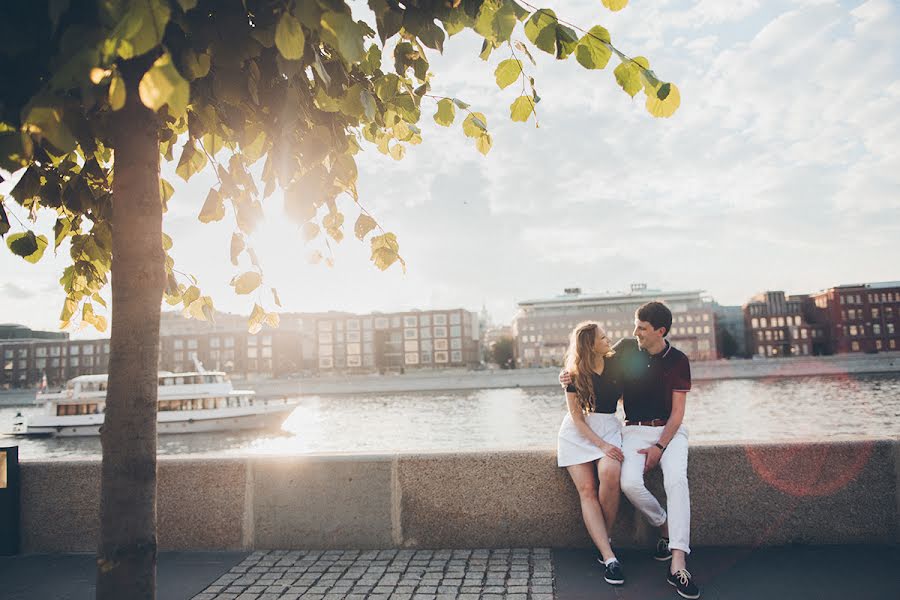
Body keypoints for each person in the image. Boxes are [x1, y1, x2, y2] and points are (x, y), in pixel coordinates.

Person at [560, 302, 700, 599]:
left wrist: (660, 446)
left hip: (668, 432)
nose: (634, 332)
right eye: (636, 325)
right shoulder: (625, 349)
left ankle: (678, 562)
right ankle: (661, 525)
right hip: (633, 430)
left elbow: (678, 414)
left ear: (660, 331)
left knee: (676, 481)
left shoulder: (678, 360)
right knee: (629, 483)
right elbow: (588, 369)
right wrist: (567, 377)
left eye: (642, 328)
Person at [556, 321, 626, 586]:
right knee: (586, 490)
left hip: (608, 427)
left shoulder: (617, 363)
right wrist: (601, 445)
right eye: (603, 337)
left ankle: (602, 539)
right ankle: (609, 558)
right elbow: (576, 418)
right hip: (579, 433)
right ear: (590, 344)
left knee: (610, 473)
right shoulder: (572, 375)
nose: (608, 340)